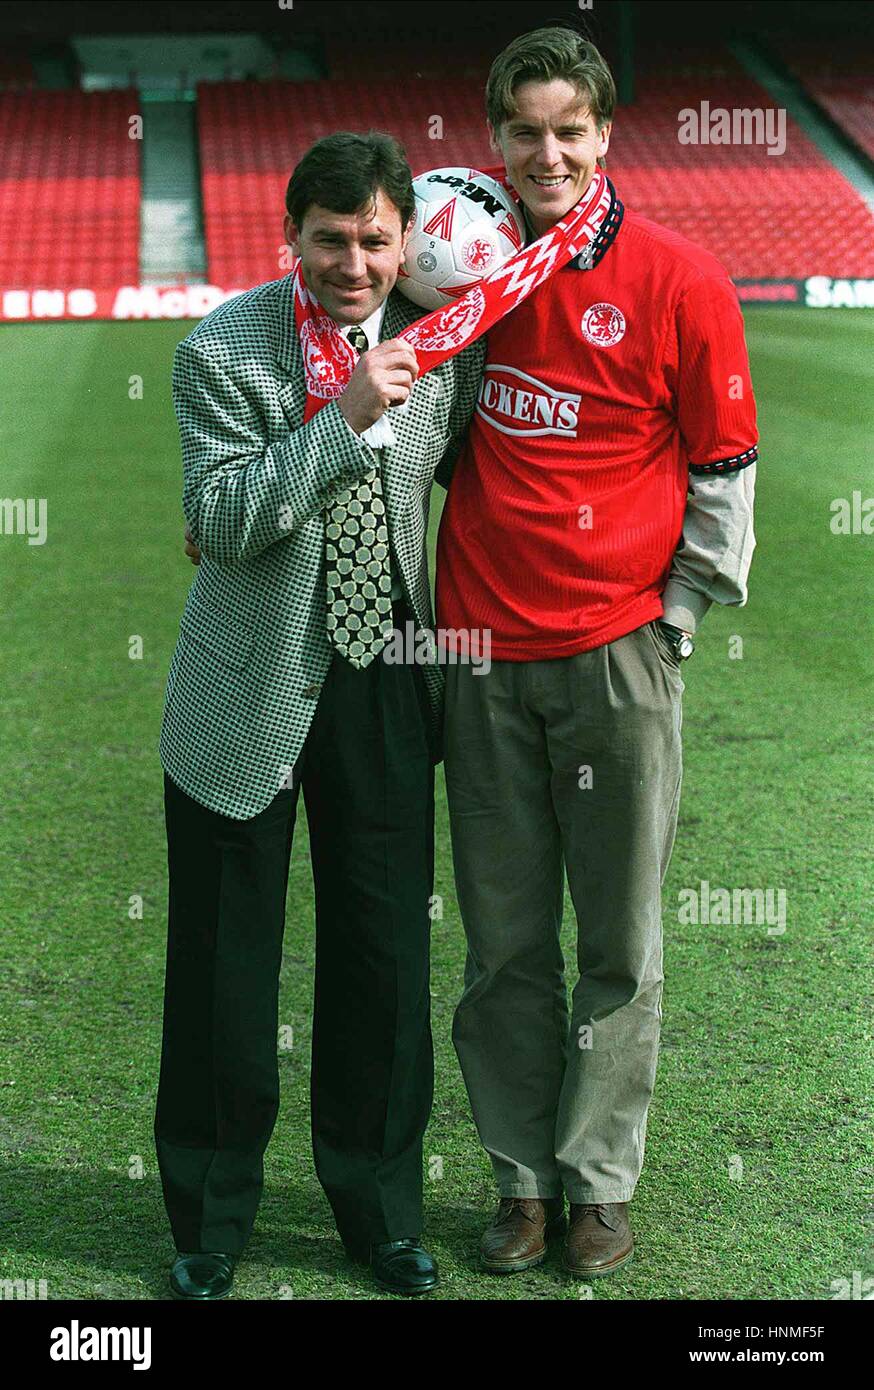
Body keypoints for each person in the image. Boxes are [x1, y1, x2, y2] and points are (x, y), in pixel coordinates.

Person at [435, 26, 758, 1279]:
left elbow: (723, 470)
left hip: (618, 655)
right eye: (525, 130)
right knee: (503, 942)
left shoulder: (680, 278)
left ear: (606, 134)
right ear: (497, 140)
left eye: (570, 129)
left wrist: (675, 619)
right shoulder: (465, 279)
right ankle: (520, 1182)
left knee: (619, 941)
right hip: (480, 659)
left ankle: (599, 1186)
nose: (548, 151)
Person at [156, 130, 485, 1299]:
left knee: (383, 955)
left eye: (375, 241)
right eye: (330, 239)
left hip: (388, 667)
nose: (354, 264)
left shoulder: (437, 340)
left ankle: (380, 1213)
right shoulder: (222, 347)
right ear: (289, 235)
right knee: (221, 962)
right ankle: (207, 1222)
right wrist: (338, 417)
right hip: (246, 683)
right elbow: (224, 518)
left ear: (407, 242)